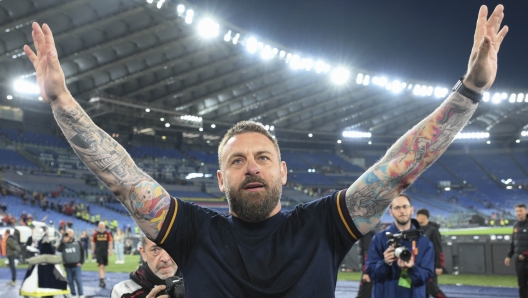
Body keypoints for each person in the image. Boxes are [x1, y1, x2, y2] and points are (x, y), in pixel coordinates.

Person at [24, 4, 509, 296]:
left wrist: (469, 91)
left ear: (283, 170)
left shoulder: (322, 225)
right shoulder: (194, 232)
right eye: (235, 160)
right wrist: (60, 100)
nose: (249, 167)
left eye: (260, 158)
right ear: (219, 179)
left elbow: (397, 169)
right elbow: (122, 177)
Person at [366, 194, 434, 297]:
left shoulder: (424, 242)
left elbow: (425, 277)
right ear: (391, 212)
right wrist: (385, 263)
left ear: (412, 210)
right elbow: (372, 273)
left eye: (405, 206)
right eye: (397, 207)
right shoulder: (379, 239)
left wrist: (412, 268)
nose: (402, 211)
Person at [111, 234, 185, 298]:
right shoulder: (123, 292)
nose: (165, 259)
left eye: (172, 247)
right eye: (155, 250)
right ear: (143, 253)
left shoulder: (194, 284)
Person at [416, 208, 448, 298]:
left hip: (430, 266)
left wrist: (439, 266)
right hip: (420, 266)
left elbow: (438, 249)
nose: (416, 218)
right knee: (423, 290)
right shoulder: (418, 230)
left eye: (418, 215)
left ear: (424, 216)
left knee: (433, 289)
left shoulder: (433, 231)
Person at [505, 203, 528, 298]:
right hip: (519, 261)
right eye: (517, 211)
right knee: (522, 285)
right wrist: (509, 255)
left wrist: (525, 254)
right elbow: (513, 242)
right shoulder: (515, 225)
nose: (518, 213)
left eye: (521, 210)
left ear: (526, 211)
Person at [57, 228, 85, 298]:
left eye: (70, 233)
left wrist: (81, 262)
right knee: (70, 280)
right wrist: (63, 241)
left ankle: (81, 294)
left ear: (73, 234)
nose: (69, 235)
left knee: (78, 280)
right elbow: (58, 249)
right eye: (67, 233)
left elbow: (82, 252)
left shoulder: (77, 242)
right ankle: (73, 294)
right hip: (67, 265)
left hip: (76, 265)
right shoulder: (63, 244)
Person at [356, 227, 380, 298]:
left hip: (370, 270)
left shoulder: (367, 232)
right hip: (375, 268)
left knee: (363, 294)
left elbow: (368, 252)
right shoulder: (373, 230)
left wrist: (366, 272)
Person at [91, 221, 113, 288]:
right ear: (98, 226)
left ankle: (102, 278)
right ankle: (101, 280)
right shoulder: (95, 234)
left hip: (105, 252)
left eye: (102, 225)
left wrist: (110, 250)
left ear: (104, 226)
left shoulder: (107, 234)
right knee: (101, 266)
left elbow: (110, 242)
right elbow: (93, 243)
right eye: (100, 225)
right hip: (98, 252)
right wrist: (93, 252)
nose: (101, 227)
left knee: (103, 266)